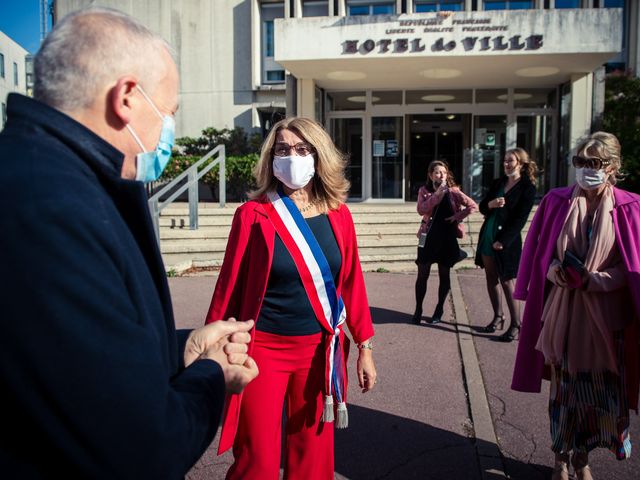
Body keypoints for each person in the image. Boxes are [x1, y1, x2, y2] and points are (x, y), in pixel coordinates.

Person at [0, 8, 258, 478]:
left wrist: (182, 350)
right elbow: (142, 448)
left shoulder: (49, 175)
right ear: (126, 97)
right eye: (169, 112)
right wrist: (214, 376)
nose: (167, 132)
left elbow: (83, 358)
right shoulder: (54, 207)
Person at [205, 116, 377, 479]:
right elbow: (228, 287)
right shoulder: (253, 215)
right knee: (258, 460)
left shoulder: (339, 216)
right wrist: (212, 348)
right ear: (271, 159)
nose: (292, 157)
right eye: (282, 149)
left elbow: (351, 283)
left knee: (312, 460)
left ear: (319, 157)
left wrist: (364, 346)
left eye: (302, 149)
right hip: (261, 351)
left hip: (319, 353)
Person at [511, 132, 640, 480]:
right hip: (563, 316)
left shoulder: (630, 206)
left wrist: (594, 281)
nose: (585, 170)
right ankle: (560, 458)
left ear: (612, 167)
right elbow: (540, 254)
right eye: (579, 162)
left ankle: (582, 457)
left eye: (593, 163)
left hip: (606, 321)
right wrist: (556, 272)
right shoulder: (556, 201)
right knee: (564, 394)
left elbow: (632, 270)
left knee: (599, 397)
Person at [475, 148, 537, 341]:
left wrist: (503, 240)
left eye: (510, 161)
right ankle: (498, 317)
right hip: (488, 235)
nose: (506, 164)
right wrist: (490, 204)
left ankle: (516, 324)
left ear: (521, 163)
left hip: (506, 241)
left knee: (507, 281)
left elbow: (520, 219)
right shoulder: (498, 183)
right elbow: (482, 206)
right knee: (491, 278)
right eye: (504, 161)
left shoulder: (527, 187)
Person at [413, 160, 477, 325]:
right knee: (422, 273)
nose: (440, 175)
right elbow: (421, 210)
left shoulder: (454, 192)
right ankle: (418, 309)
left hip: (447, 237)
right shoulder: (424, 191)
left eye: (443, 172)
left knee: (444, 274)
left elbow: (472, 206)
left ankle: (439, 308)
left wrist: (457, 217)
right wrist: (436, 196)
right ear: (430, 175)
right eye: (436, 172)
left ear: (446, 175)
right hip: (427, 237)